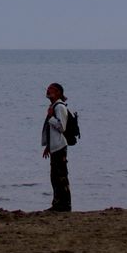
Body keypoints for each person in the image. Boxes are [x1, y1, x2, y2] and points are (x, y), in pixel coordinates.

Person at [41, 82, 72, 212]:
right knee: (55, 177)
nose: (48, 91)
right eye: (48, 88)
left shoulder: (59, 107)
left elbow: (61, 127)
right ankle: (57, 203)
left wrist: (51, 117)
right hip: (55, 147)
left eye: (51, 89)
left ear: (58, 92)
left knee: (60, 176)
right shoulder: (53, 106)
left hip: (60, 147)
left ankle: (64, 205)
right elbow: (50, 130)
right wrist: (48, 146)